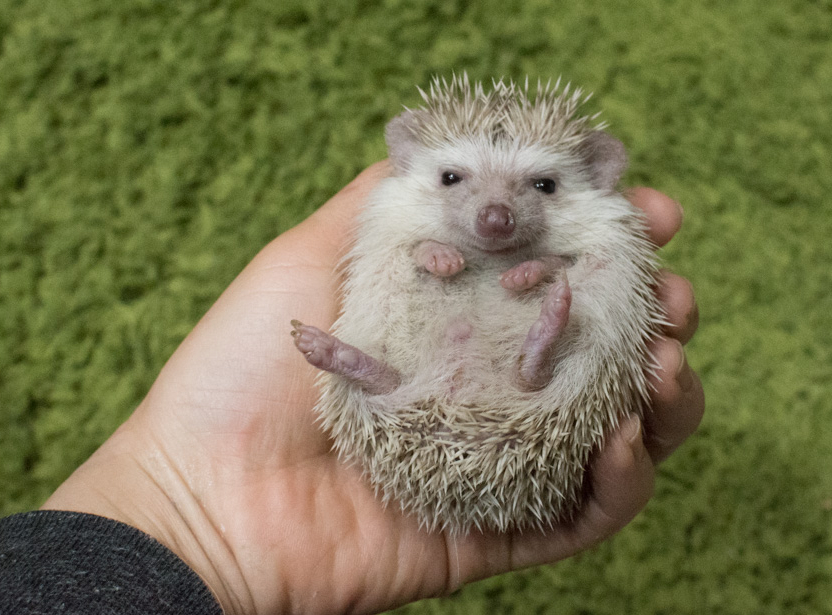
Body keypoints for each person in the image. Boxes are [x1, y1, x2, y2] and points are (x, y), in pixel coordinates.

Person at [0, 162, 704, 615]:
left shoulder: (593, 231)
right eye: (456, 180)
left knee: (593, 329)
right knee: (401, 326)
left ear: (597, 173)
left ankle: (531, 361)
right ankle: (429, 370)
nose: (495, 213)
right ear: (411, 163)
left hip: (520, 389)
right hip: (429, 381)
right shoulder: (406, 220)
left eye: (541, 186)